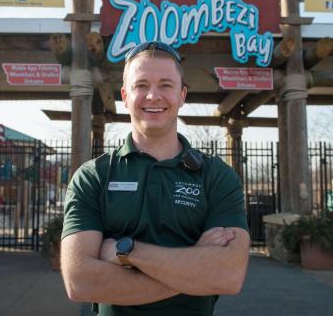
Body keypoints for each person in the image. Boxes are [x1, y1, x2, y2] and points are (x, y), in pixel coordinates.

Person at [61, 41, 250, 316]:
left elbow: (228, 275)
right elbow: (80, 281)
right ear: (125, 96)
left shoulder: (217, 177)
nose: (153, 96)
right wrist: (196, 269)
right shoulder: (93, 177)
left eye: (165, 85)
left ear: (182, 95)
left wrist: (126, 251)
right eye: (141, 85)